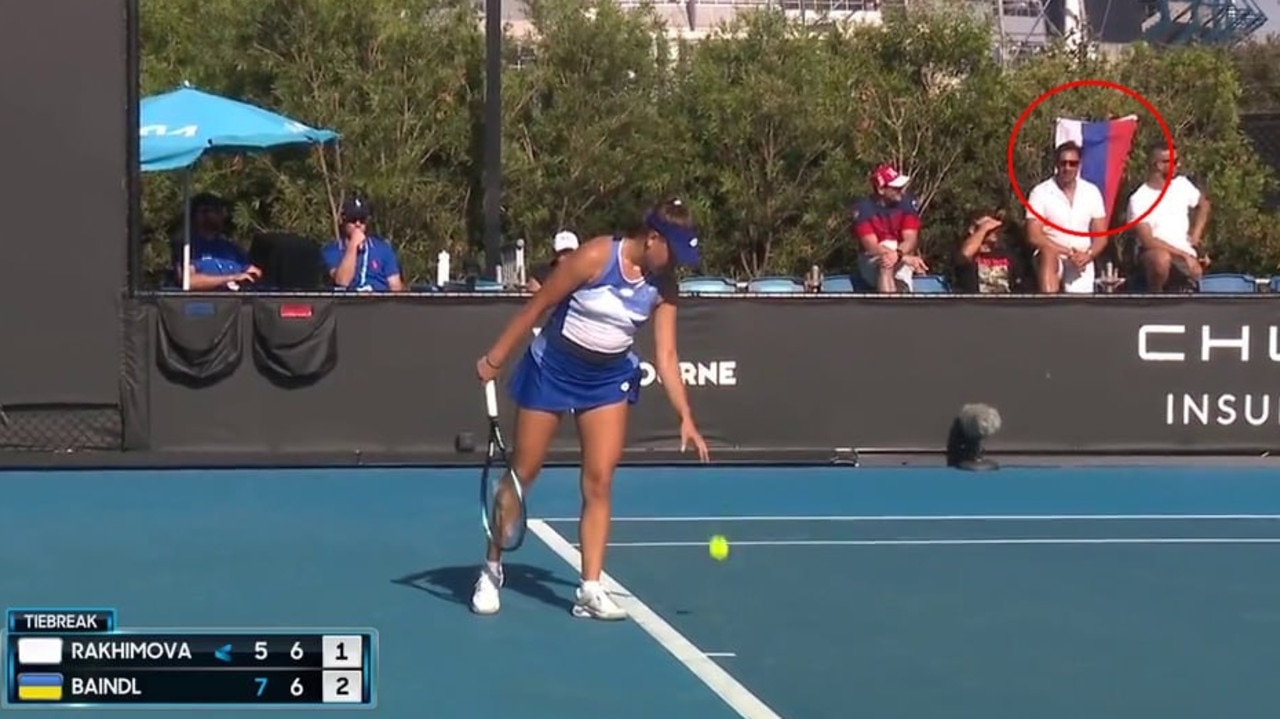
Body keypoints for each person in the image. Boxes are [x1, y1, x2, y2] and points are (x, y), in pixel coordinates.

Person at [471, 197, 712, 620]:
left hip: (606, 381)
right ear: (653, 238)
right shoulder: (597, 256)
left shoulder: (664, 286)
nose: (678, 263)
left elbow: (668, 355)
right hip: (552, 371)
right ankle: (491, 567)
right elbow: (539, 304)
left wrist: (686, 416)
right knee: (522, 473)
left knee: (599, 482)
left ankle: (590, 588)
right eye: (674, 252)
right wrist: (496, 357)